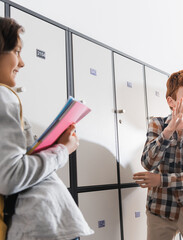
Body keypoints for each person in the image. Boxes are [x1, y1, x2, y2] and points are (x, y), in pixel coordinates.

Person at [0, 17, 93, 239]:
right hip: (42, 226)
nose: (21, 63)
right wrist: (64, 149)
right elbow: (11, 176)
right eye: (16, 51)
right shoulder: (4, 97)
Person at [133, 70, 183, 240]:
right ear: (171, 101)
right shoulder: (157, 124)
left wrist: (161, 180)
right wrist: (169, 131)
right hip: (160, 209)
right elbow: (148, 163)